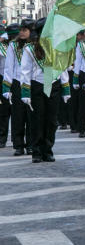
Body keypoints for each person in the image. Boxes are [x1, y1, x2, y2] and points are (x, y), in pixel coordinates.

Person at [21, 19, 68, 162]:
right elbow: (25, 71)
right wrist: (25, 93)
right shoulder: (30, 49)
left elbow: (62, 68)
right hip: (37, 86)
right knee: (37, 119)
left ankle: (48, 150)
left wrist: (66, 89)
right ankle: (36, 151)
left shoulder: (58, 48)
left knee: (52, 120)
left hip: (53, 85)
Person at [4, 22, 31, 155]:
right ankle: (18, 145)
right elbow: (9, 67)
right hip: (17, 83)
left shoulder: (35, 45)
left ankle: (31, 144)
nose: (21, 32)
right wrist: (6, 87)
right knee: (18, 116)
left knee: (31, 116)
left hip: (32, 83)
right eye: (20, 30)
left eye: (24, 30)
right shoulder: (13, 46)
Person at [73, 30, 85, 140]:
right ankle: (82, 128)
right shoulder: (82, 45)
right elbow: (78, 62)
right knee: (83, 104)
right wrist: (75, 79)